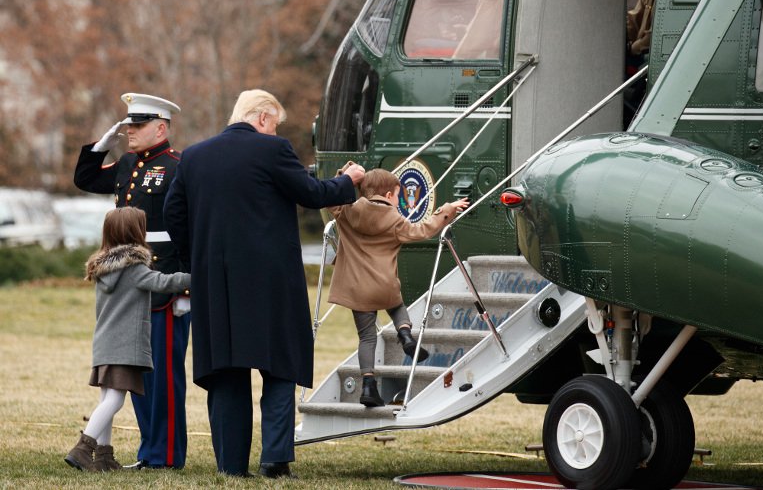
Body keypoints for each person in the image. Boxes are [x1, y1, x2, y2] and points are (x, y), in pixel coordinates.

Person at [163, 89, 365, 478]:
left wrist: (199, 261)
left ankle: (231, 466)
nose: (275, 132)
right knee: (280, 366)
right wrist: (349, 181)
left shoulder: (193, 157)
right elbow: (310, 194)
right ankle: (274, 458)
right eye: (274, 124)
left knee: (226, 372)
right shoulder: (272, 151)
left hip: (216, 284)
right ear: (261, 118)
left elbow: (175, 216)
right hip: (272, 282)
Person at [73, 93, 191, 469]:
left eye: (137, 126)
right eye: (127, 126)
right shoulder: (126, 164)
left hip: (164, 281)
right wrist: (98, 149)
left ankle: (165, 455)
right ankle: (149, 451)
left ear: (161, 127)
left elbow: (189, 227)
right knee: (137, 374)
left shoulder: (179, 167)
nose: (129, 133)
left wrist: (186, 289)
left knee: (164, 379)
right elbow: (86, 179)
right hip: (131, 282)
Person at [327, 168, 469, 406]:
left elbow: (331, 195)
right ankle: (405, 334)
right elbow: (423, 230)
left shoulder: (346, 211)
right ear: (390, 194)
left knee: (367, 338)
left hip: (357, 289)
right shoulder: (395, 220)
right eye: (397, 195)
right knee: (396, 306)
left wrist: (346, 173)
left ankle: (369, 388)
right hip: (385, 287)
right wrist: (447, 210)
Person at [65, 207, 191, 472]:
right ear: (135, 232)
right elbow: (164, 282)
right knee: (116, 401)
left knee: (106, 400)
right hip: (124, 347)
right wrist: (199, 277)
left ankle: (104, 458)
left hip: (104, 343)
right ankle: (83, 448)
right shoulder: (133, 268)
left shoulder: (103, 268)